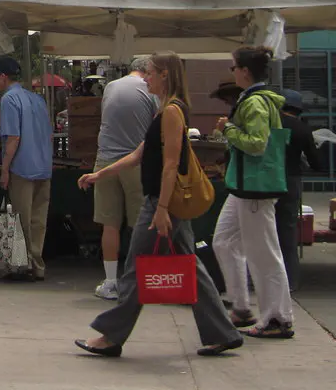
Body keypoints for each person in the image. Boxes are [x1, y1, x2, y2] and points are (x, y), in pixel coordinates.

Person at [74, 52, 243, 358]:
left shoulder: (172, 112)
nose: (146, 78)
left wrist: (162, 209)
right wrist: (101, 174)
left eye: (150, 73)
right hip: (162, 204)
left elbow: (170, 166)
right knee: (190, 266)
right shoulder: (164, 111)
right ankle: (222, 332)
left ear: (165, 75)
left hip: (161, 204)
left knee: (136, 267)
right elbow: (139, 154)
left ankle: (111, 335)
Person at [212, 46, 294, 339]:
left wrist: (229, 130)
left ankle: (278, 317)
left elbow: (257, 143)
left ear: (245, 71)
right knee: (224, 240)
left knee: (264, 254)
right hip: (246, 185)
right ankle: (242, 306)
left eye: (233, 67)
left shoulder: (255, 103)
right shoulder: (255, 100)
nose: (232, 72)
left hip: (254, 186)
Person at [91, 57, 158, 301]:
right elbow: (157, 126)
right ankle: (139, 280)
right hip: (135, 163)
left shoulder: (110, 86)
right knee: (140, 224)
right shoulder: (151, 90)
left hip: (104, 161)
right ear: (146, 71)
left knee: (110, 224)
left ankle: (110, 281)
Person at [0, 57, 53, 282]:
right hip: (43, 166)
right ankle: (37, 263)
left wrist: (4, 169)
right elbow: (47, 134)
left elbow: (13, 138)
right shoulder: (37, 99)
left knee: (21, 218)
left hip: (22, 167)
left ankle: (24, 263)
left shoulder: (9, 99)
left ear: (2, 77)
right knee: (39, 219)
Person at [276, 89, 322, 289]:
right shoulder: (303, 130)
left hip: (267, 181)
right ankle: (290, 282)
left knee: (264, 231)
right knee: (288, 232)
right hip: (291, 182)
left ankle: (261, 280)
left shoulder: (272, 125)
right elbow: (317, 164)